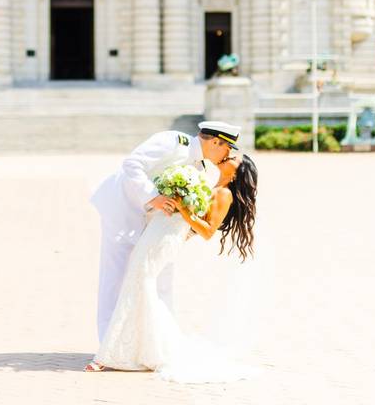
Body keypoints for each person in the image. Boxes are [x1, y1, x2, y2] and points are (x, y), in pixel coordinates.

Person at [87, 153, 259, 382]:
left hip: (166, 238)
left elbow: (207, 231)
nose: (227, 155)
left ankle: (109, 354)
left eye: (233, 158)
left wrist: (183, 209)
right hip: (159, 229)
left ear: (236, 172)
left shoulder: (224, 194)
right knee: (139, 281)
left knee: (139, 280)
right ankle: (149, 348)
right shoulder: (210, 183)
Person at [88, 121, 241, 345]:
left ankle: (160, 342)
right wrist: (153, 196)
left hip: (153, 225)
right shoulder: (174, 142)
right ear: (216, 142)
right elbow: (132, 164)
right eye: (228, 148)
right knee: (116, 277)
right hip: (121, 211)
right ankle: (107, 345)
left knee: (162, 278)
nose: (228, 155)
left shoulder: (204, 168)